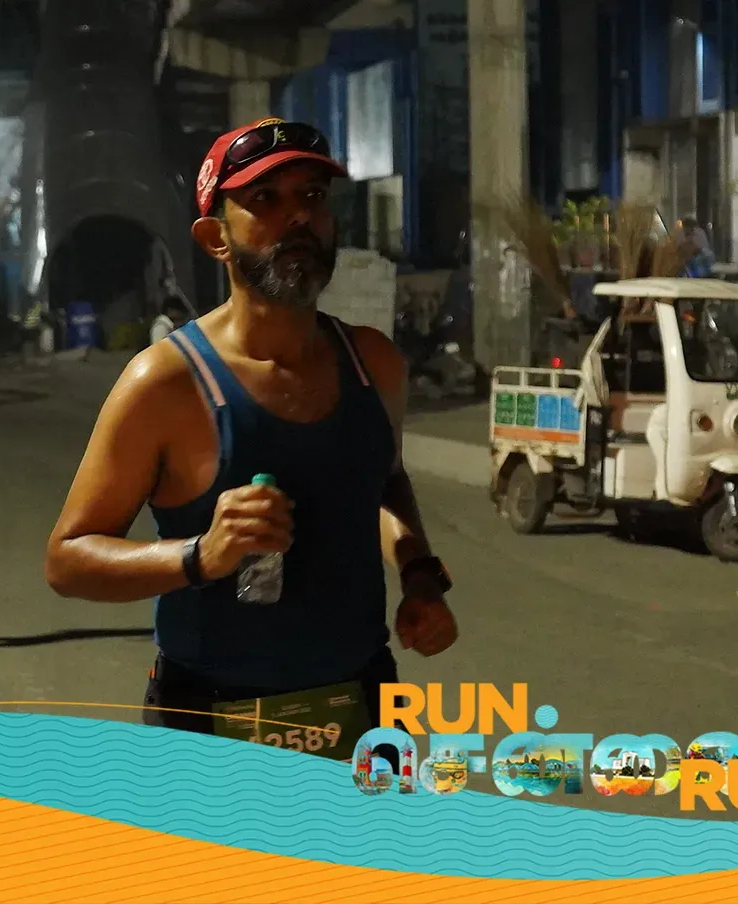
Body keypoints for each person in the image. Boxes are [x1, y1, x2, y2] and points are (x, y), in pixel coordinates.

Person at [44, 118, 458, 738]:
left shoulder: (373, 362)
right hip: (209, 717)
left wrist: (419, 574)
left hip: (364, 701)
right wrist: (200, 555)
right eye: (264, 199)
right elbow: (68, 560)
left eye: (312, 196)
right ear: (215, 237)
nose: (298, 216)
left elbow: (382, 479)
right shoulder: (165, 382)